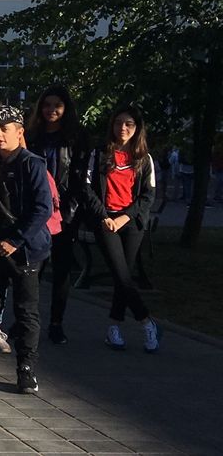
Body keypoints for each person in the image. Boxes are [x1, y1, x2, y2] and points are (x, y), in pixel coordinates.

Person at [0, 105, 52, 395]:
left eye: (5, 129)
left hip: (26, 249)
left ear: (19, 132)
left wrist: (16, 241)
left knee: (26, 311)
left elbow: (42, 209)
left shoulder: (32, 163)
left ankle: (25, 368)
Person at [83, 105, 161, 352]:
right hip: (105, 220)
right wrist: (105, 217)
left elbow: (148, 196)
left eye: (129, 124)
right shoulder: (99, 153)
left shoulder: (144, 158)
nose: (123, 128)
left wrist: (125, 218)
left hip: (131, 222)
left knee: (122, 277)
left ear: (137, 128)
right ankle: (147, 321)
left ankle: (114, 327)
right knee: (121, 273)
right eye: (118, 123)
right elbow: (87, 188)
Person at [25, 86, 90, 345]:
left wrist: (69, 209)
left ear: (66, 109)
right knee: (33, 270)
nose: (51, 110)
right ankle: (27, 321)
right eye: (47, 104)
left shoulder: (75, 138)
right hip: (37, 210)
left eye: (57, 105)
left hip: (64, 212)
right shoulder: (33, 136)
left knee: (62, 270)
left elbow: (79, 177)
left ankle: (56, 322)